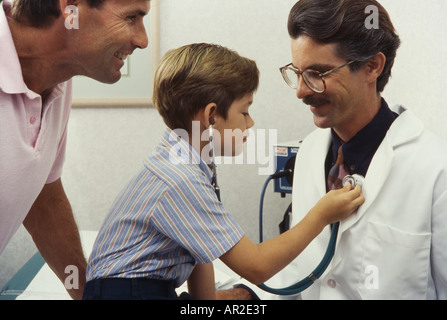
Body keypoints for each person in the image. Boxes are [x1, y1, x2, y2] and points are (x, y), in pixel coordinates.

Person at [82, 43, 364, 300]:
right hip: (125, 293)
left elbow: (200, 247)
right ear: (211, 116)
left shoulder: (188, 159)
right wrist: (322, 215)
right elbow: (256, 266)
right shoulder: (181, 178)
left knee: (247, 302)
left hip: (137, 289)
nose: (250, 123)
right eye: (244, 112)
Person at [234, 0, 447, 300]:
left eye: (318, 73)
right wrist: (247, 296)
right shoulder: (309, 154)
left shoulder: (436, 170)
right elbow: (303, 271)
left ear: (372, 66)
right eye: (298, 72)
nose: (301, 91)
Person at [0, 0, 150, 299]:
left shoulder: (57, 82)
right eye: (131, 17)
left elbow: (43, 197)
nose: (142, 40)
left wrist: (86, 293)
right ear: (71, 9)